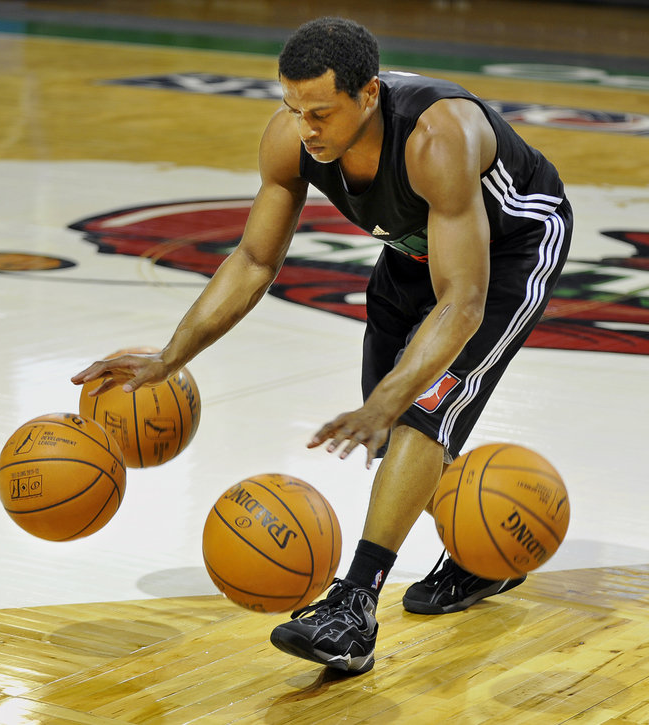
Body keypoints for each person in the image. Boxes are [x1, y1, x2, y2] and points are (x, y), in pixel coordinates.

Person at [72, 16, 572, 675]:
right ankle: (487, 552)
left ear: (368, 96)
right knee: (396, 427)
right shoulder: (292, 136)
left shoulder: (437, 139)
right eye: (292, 107)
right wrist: (171, 356)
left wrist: (395, 396)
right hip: (412, 250)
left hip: (508, 253)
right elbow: (253, 260)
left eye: (321, 112)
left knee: (418, 408)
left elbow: (463, 301)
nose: (306, 127)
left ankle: (354, 607)